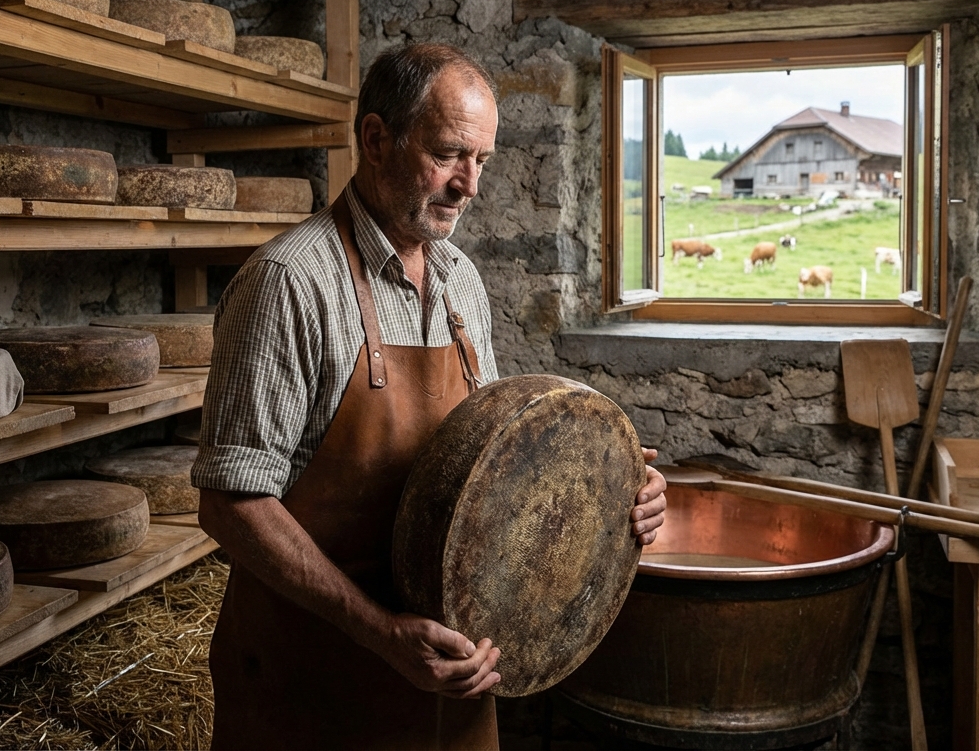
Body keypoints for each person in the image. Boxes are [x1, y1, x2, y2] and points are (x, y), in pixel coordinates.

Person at [194, 43, 668, 751]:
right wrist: (381, 633)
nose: (469, 185)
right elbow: (232, 506)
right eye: (449, 154)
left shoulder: (459, 281)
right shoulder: (289, 283)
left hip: (451, 681)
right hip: (319, 684)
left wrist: (617, 489)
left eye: (482, 160)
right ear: (377, 140)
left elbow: (501, 463)